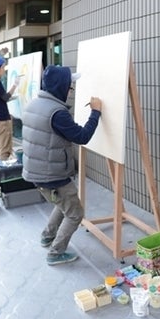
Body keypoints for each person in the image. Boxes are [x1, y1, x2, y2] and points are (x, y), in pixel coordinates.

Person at [22, 66, 102, 265]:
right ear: (60, 87)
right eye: (69, 86)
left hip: (36, 171)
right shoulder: (57, 113)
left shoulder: (34, 104)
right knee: (75, 214)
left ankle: (47, 236)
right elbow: (82, 136)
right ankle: (56, 253)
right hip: (51, 173)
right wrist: (96, 112)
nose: (70, 91)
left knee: (63, 202)